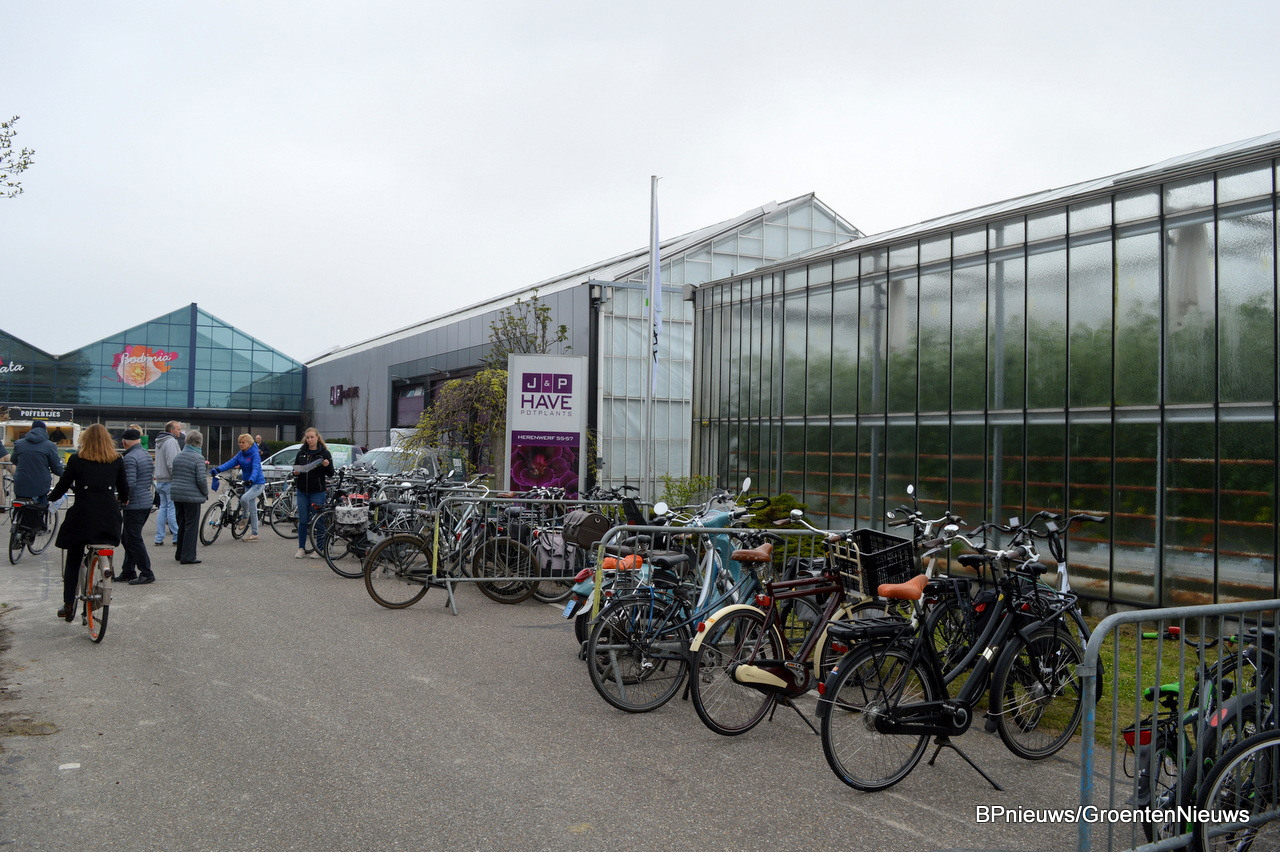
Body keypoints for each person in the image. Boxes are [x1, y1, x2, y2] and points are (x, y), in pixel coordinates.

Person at [47, 424, 128, 621]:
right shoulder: (117, 460)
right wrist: (123, 500)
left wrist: (49, 499)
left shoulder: (77, 459)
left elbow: (63, 485)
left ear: (85, 440)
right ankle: (102, 574)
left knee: (73, 559)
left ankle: (68, 604)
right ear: (108, 440)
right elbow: (124, 489)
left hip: (82, 517)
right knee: (104, 547)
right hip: (108, 518)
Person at [117, 428, 155, 585]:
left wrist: (123, 498)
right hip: (145, 501)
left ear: (124, 442)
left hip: (134, 504)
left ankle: (146, 572)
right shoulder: (145, 454)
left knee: (132, 539)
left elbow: (130, 483)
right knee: (128, 538)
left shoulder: (130, 458)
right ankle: (128, 571)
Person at [212, 434, 266, 541]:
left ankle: (244, 518)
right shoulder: (241, 454)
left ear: (249, 443)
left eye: (243, 442)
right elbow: (230, 463)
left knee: (244, 499)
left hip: (257, 483)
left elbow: (256, 468)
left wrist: (251, 479)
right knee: (253, 509)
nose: (241, 444)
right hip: (247, 483)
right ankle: (255, 534)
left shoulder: (255, 454)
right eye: (239, 443)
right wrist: (218, 469)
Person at [293, 427, 333, 559]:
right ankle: (301, 548)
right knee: (303, 520)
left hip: (317, 491)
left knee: (318, 520)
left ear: (317, 437)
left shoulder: (324, 453)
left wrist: (326, 465)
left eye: (312, 437)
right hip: (302, 491)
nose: (310, 440)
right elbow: (296, 468)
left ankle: (319, 548)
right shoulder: (301, 453)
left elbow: (331, 473)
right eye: (308, 437)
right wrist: (296, 472)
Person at [170, 429, 208, 565]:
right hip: (191, 496)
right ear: (199, 443)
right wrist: (205, 493)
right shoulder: (198, 458)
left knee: (182, 524)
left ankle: (180, 553)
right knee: (191, 526)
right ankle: (188, 556)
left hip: (177, 494)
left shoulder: (178, 456)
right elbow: (201, 480)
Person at [11, 419, 64, 504]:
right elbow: (56, 468)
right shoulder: (50, 445)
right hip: (40, 485)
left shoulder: (19, 444)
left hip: (21, 483)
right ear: (45, 430)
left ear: (31, 429)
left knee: (20, 506)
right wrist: (66, 475)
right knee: (41, 507)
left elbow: (13, 460)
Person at [152, 420, 182, 546]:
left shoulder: (159, 442)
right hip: (169, 480)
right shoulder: (170, 441)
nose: (180, 431)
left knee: (163, 508)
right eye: (178, 429)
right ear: (171, 430)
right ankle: (176, 537)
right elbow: (172, 463)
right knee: (171, 509)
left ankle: (159, 538)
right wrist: (177, 477)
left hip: (160, 480)